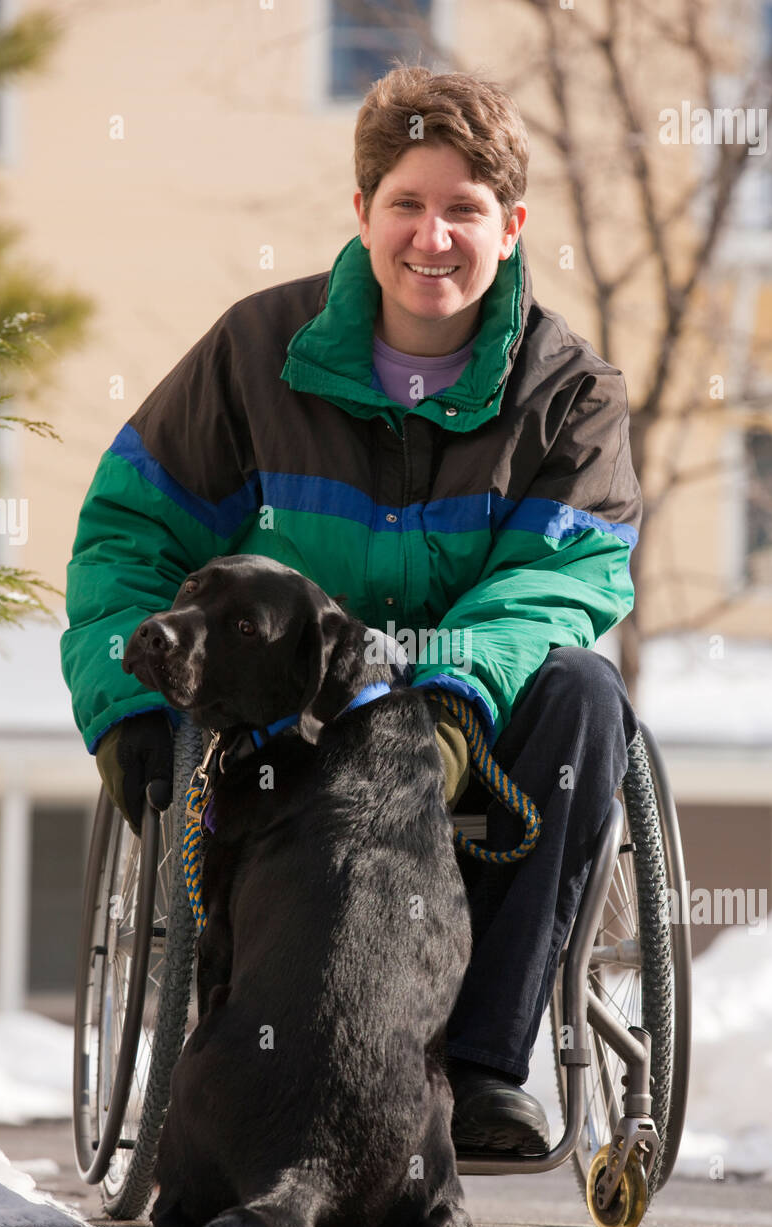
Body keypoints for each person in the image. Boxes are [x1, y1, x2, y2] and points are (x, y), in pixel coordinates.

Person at [60, 63, 641, 1157]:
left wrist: (456, 699)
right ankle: (258, 1068)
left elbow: (560, 577)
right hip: (288, 732)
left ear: (510, 226)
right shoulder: (251, 358)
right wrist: (127, 708)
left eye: (464, 210)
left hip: (475, 725)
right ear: (361, 212)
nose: (433, 237)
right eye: (407, 205)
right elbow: (126, 540)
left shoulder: (568, 393)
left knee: (583, 690)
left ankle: (475, 1072)